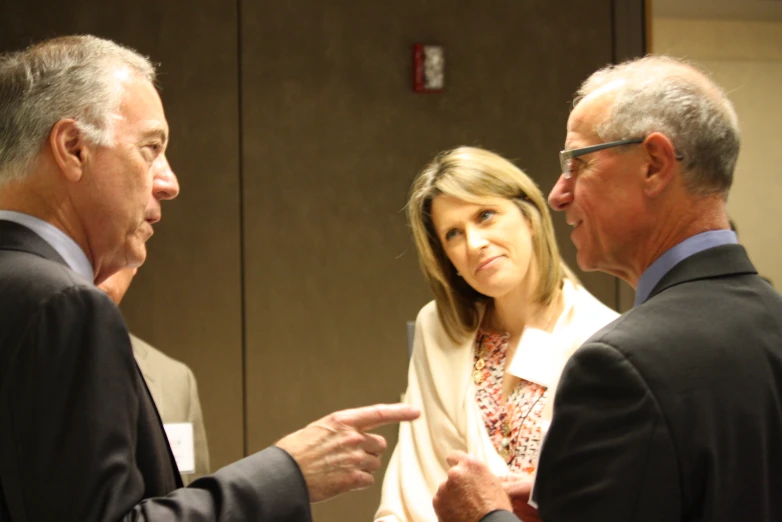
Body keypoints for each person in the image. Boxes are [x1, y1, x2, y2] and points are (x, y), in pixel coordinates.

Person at [0, 35, 419, 521]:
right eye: (150, 149)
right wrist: (289, 472)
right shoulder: (66, 307)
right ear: (73, 148)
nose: (170, 182)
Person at [432, 56, 782, 522]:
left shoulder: (618, 367)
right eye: (452, 234)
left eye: (577, 163)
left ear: (654, 165)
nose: (558, 194)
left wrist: (484, 516)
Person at [375, 146, 617, 521]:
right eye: (453, 234)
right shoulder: (439, 329)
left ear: (530, 216)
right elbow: (416, 478)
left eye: (485, 215)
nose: (474, 244)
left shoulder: (602, 338)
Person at [99, 267, 211, 485]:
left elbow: (195, 494)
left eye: (114, 262)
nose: (103, 281)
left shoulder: (175, 379)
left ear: (133, 267)